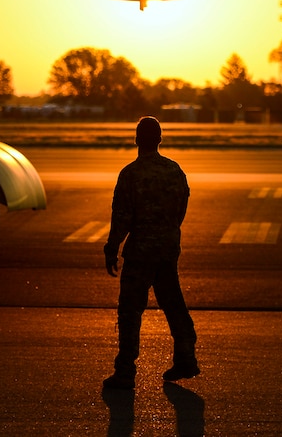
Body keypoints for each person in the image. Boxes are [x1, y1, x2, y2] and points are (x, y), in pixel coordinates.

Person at [102, 116, 199, 390]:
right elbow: (181, 209)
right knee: (173, 305)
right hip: (167, 250)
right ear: (160, 140)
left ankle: (125, 371)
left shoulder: (130, 174)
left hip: (140, 253)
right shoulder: (174, 170)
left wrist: (112, 248)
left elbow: (122, 216)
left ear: (136, 140)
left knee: (130, 311)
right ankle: (186, 358)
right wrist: (167, 233)